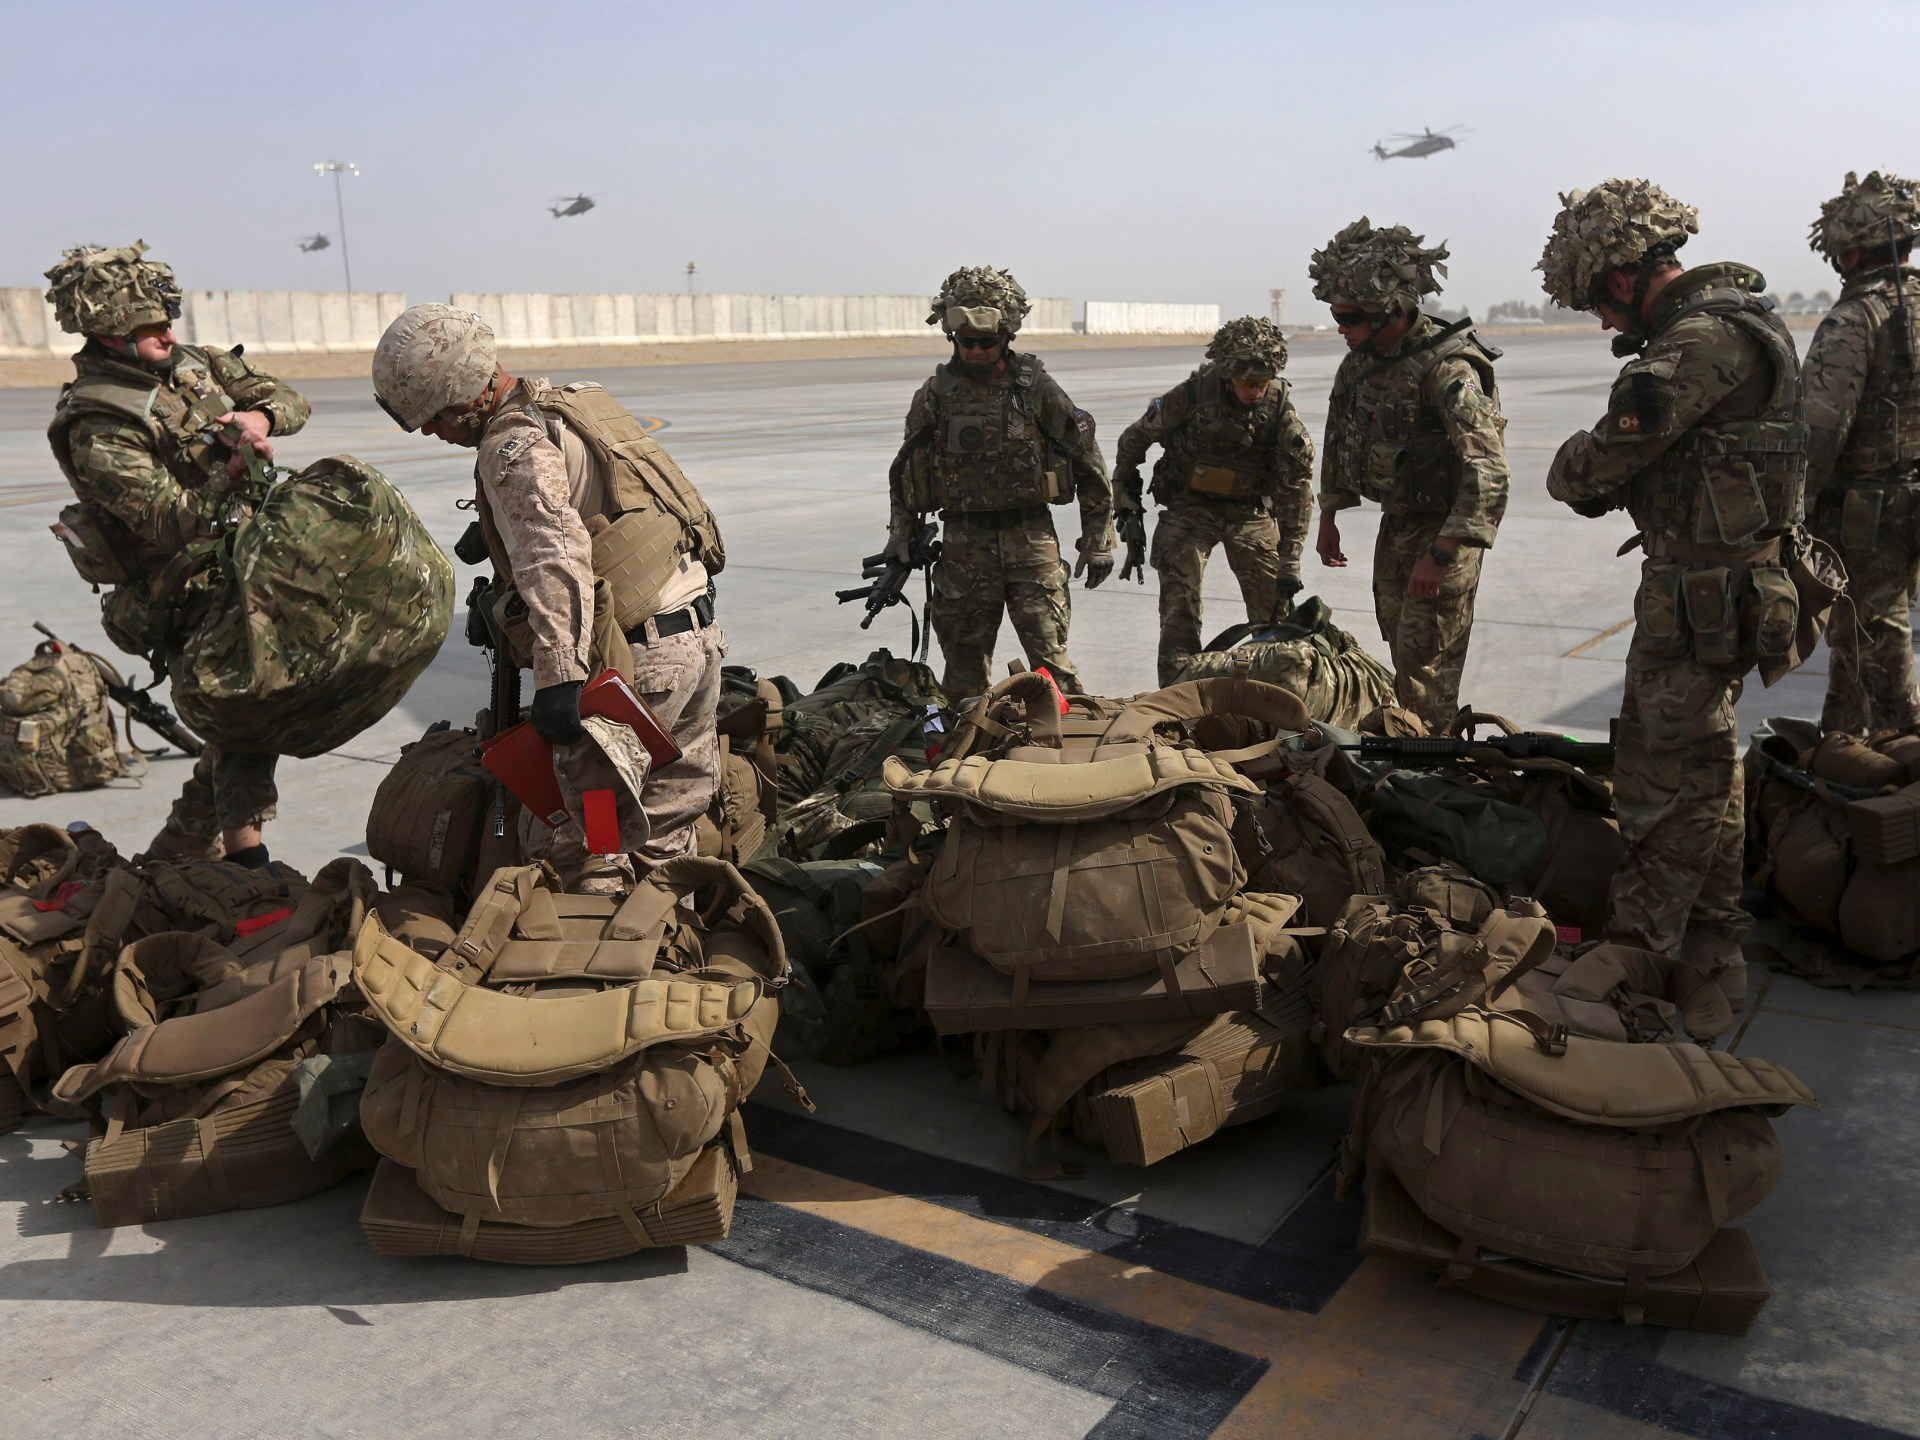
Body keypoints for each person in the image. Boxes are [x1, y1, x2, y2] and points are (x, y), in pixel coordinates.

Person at [1540, 178, 1808, 1002]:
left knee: (1657, 780)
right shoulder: (1749, 319)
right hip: (1735, 587)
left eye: (1600, 303)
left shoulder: (1696, 341)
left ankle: (1640, 961)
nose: (1604, 322)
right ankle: (1715, 936)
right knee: (1708, 763)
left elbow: (1592, 468)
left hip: (1697, 600)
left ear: (1624, 278)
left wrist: (1570, 466)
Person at [372, 303, 726, 892]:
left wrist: (560, 680)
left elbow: (553, 555)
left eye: (433, 419)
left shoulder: (512, 447)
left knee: (582, 845)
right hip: (694, 642)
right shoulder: (576, 405)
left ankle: (593, 945)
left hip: (631, 671)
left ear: (461, 397)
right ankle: (669, 938)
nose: (434, 433)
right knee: (664, 839)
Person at [43, 242, 309, 868]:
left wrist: (261, 417)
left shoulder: (196, 363)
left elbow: (290, 399)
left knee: (246, 712)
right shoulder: (97, 421)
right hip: (174, 588)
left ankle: (180, 845)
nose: (168, 333)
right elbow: (167, 524)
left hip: (242, 560)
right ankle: (246, 857)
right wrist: (231, 473)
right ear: (108, 333)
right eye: (150, 326)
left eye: (167, 319)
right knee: (249, 698)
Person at [1308, 220, 1510, 732]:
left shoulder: (1448, 368)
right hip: (1397, 525)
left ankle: (1432, 760)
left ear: (1388, 311)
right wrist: (1329, 515)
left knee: (1427, 665)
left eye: (1349, 317)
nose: (1340, 328)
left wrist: (1442, 554)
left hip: (1444, 533)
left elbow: (1488, 470)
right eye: (1335, 316)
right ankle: (1419, 749)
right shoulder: (1360, 363)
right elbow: (1338, 434)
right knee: (1402, 648)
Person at [887, 266, 1113, 699]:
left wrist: (1098, 539)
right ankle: (970, 738)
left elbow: (1088, 461)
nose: (975, 350)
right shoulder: (936, 393)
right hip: (963, 543)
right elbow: (906, 469)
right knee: (963, 673)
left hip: (1030, 537)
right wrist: (901, 532)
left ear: (1006, 336)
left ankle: (1066, 734)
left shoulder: (1035, 388)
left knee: (1052, 664)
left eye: (986, 342)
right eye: (965, 342)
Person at [1113, 316, 1315, 684]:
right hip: (1191, 509)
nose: (1256, 391)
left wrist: (1291, 559)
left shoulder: (1278, 407)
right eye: (1247, 384)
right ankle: (1177, 691)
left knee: (1275, 610)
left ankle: (1275, 691)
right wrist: (1122, 488)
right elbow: (1134, 438)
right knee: (1180, 607)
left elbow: (1297, 487)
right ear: (1227, 375)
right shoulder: (1191, 395)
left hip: (1249, 512)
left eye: (1262, 383)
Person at [1802, 170, 1920, 737]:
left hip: (1866, 515)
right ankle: (1842, 747)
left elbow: (1818, 431)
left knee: (1872, 637)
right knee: (1858, 643)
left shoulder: (1856, 318)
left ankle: (1901, 752)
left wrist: (1789, 513)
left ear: (1849, 252)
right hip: (1909, 502)